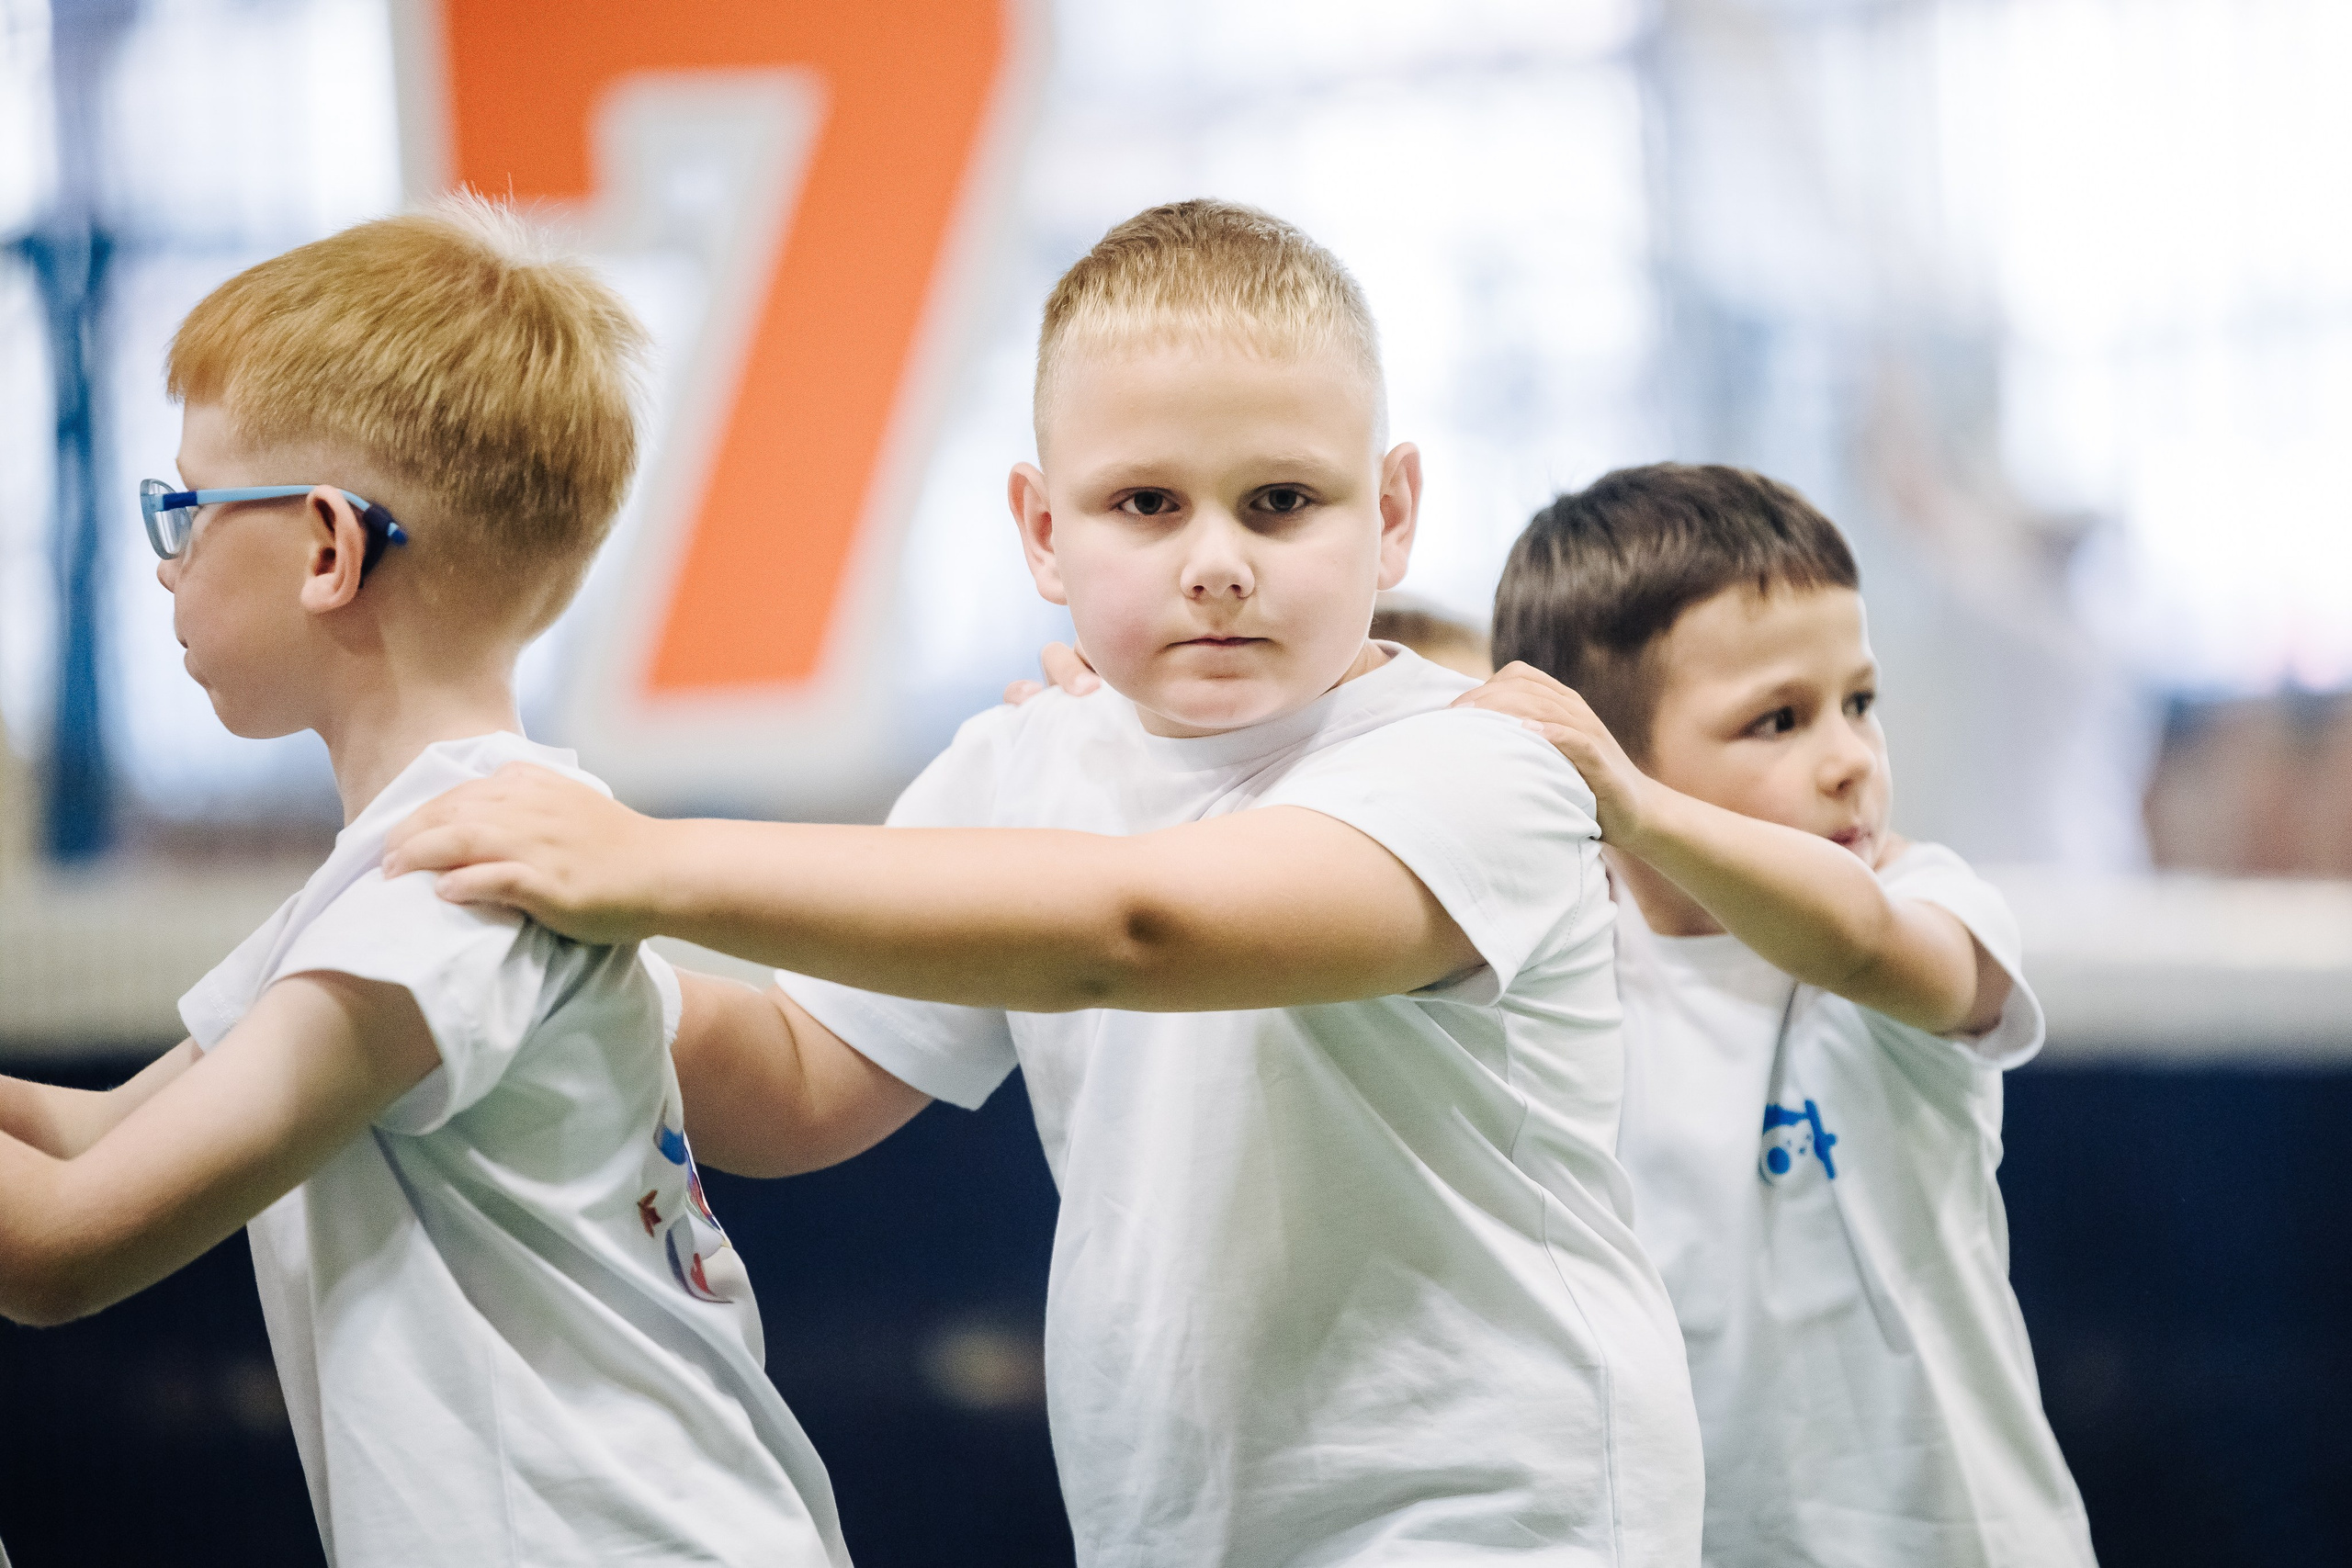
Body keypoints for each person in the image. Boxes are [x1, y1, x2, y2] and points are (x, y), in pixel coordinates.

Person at [383, 199, 1704, 1565]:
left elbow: (1138, 927)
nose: (1216, 563)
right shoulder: (1020, 764)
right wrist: (532, 964)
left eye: (1281, 501)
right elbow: (794, 1082)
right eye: (1146, 504)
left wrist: (645, 859)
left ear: (1393, 513)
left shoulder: (1480, 764)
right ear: (1040, 529)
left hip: (1506, 1520)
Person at [0, 198, 848, 1568]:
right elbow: (88, 1137)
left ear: (328, 547)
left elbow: (57, 1245)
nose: (165, 565)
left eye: (188, 511)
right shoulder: (421, 866)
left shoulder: (446, 901)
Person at [1464, 465, 2098, 1565]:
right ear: (1601, 760)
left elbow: (1854, 939)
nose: (1850, 758)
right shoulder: (1563, 972)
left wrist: (1636, 806)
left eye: (1860, 702)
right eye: (1778, 720)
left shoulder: (1921, 900)